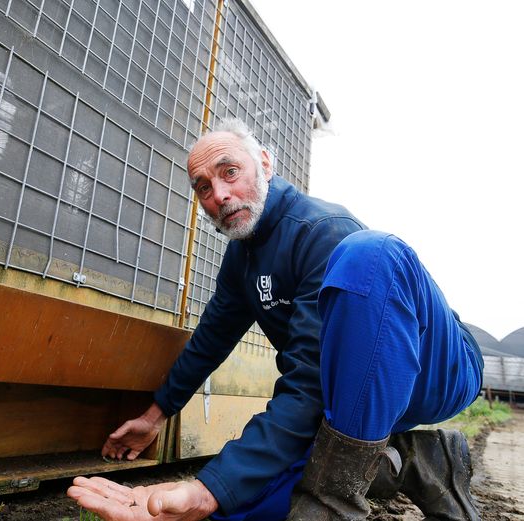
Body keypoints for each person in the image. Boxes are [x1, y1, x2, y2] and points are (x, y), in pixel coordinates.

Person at [67, 119, 484, 521]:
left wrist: (208, 487)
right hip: (354, 393)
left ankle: (334, 500)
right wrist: (154, 419)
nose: (221, 195)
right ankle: (419, 460)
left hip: (437, 370)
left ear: (265, 163)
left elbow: (310, 382)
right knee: (243, 503)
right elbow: (210, 340)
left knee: (372, 255)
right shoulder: (241, 258)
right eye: (204, 188)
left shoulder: (322, 231)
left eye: (230, 172)